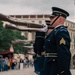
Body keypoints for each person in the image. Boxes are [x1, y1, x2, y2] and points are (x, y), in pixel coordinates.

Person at [41, 7, 71, 75]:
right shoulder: (54, 32)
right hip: (49, 66)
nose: (50, 19)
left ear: (60, 19)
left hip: (55, 68)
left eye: (53, 17)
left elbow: (64, 53)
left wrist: (62, 71)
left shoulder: (61, 32)